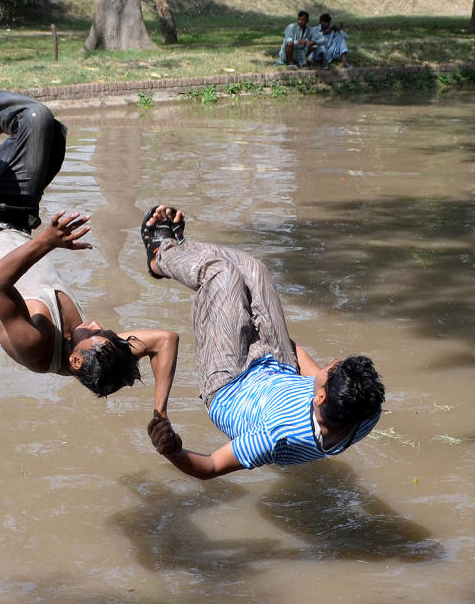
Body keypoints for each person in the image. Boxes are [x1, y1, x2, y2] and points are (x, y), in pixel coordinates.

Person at [0, 52, 178, 407]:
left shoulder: (35, 347)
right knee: (40, 121)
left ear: (75, 361)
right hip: (13, 217)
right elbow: (166, 339)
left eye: (98, 333)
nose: (100, 324)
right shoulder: (103, 348)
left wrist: (46, 242)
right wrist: (160, 411)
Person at [142, 205, 385, 480]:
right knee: (253, 270)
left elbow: (209, 467)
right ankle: (185, 255)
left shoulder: (277, 433)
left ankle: (161, 255)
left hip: (230, 386)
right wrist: (262, 327)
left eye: (331, 370)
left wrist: (171, 450)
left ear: (319, 398)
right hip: (279, 368)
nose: (329, 364)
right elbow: (309, 368)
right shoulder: (367, 411)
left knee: (222, 275)